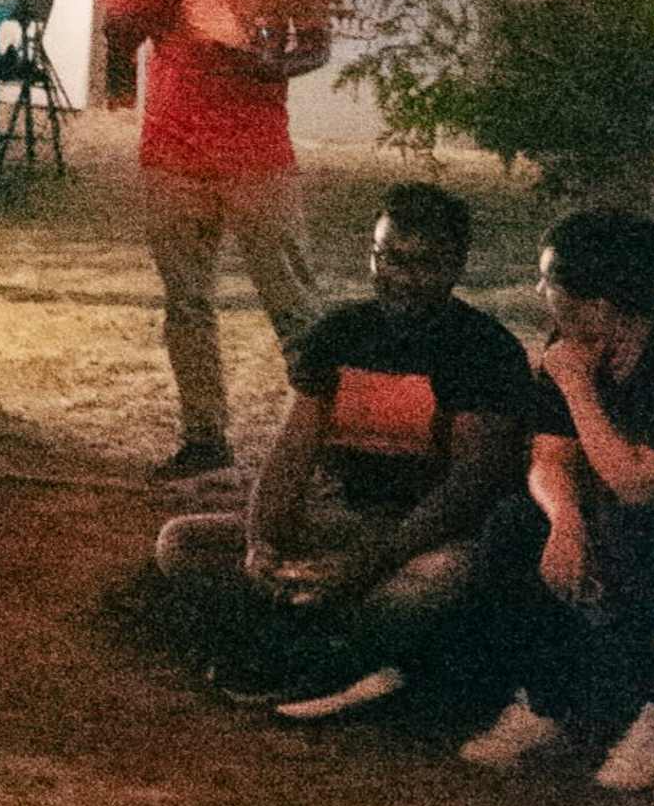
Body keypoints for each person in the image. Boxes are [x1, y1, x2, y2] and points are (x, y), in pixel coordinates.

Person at [152, 187, 535, 729]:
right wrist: (262, 540)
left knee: (432, 584)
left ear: (455, 266)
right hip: (342, 523)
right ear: (372, 256)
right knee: (182, 543)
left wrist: (368, 564)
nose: (402, 277)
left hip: (426, 539)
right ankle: (338, 651)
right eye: (389, 258)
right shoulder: (340, 334)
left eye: (424, 264)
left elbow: (466, 490)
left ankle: (312, 651)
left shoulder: (484, 351)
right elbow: (290, 454)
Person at [104, 0, 337, 493]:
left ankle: (328, 444)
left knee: (292, 302)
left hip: (256, 149)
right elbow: (117, 33)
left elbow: (315, 45)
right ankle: (204, 438)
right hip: (172, 145)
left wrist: (254, 52)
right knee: (187, 302)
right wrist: (153, 4)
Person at [462, 203, 654, 789]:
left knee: (634, 531)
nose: (539, 291)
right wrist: (566, 522)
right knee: (514, 525)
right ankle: (546, 701)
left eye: (548, 280)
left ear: (599, 304)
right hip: (617, 506)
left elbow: (638, 484)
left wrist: (576, 386)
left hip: (652, 513)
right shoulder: (572, 340)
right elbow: (549, 458)